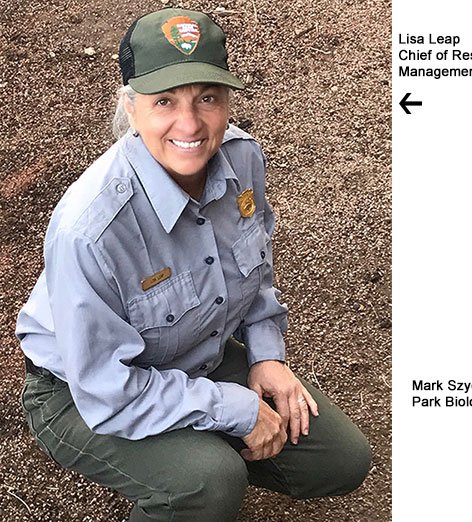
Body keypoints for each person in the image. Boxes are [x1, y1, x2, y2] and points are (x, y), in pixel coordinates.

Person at [16, 8, 371, 520]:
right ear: (131, 109)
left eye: (207, 97)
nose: (190, 124)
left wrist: (266, 354)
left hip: (190, 355)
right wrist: (235, 410)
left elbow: (257, 264)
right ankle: (188, 482)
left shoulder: (242, 157)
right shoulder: (90, 228)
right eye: (165, 102)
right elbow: (104, 387)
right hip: (80, 389)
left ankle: (190, 461)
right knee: (208, 482)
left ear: (227, 102)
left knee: (339, 460)